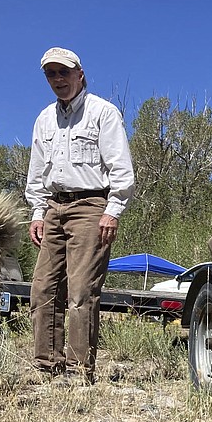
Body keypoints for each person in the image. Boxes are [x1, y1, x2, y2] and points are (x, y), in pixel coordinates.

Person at [25, 47, 135, 384]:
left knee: (81, 290)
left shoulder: (103, 112)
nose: (58, 79)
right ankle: (46, 365)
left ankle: (77, 370)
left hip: (91, 207)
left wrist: (112, 211)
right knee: (42, 289)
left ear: (80, 75)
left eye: (64, 72)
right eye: (51, 74)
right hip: (53, 208)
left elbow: (121, 169)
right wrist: (38, 212)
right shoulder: (45, 118)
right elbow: (37, 172)